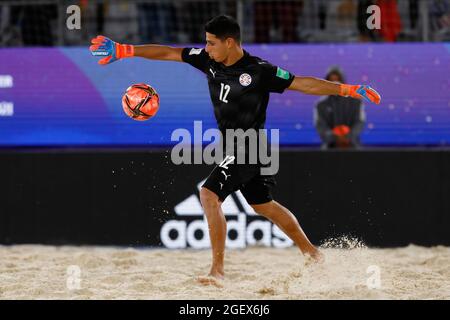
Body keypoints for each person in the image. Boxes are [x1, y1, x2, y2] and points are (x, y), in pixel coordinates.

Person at [89, 15, 380, 286]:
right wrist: (125, 50)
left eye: (211, 42)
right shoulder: (208, 60)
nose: (206, 48)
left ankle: (217, 270)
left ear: (230, 42)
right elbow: (168, 52)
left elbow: (303, 83)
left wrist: (349, 90)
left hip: (250, 147)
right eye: (205, 42)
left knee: (208, 194)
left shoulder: (259, 71)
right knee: (263, 205)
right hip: (237, 146)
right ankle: (313, 254)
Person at [314, 67, 366, 149]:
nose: (335, 84)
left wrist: (348, 137)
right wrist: (335, 138)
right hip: (330, 147)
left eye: (338, 80)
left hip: (353, 146)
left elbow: (360, 122)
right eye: (331, 81)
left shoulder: (356, 102)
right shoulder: (321, 104)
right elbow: (320, 125)